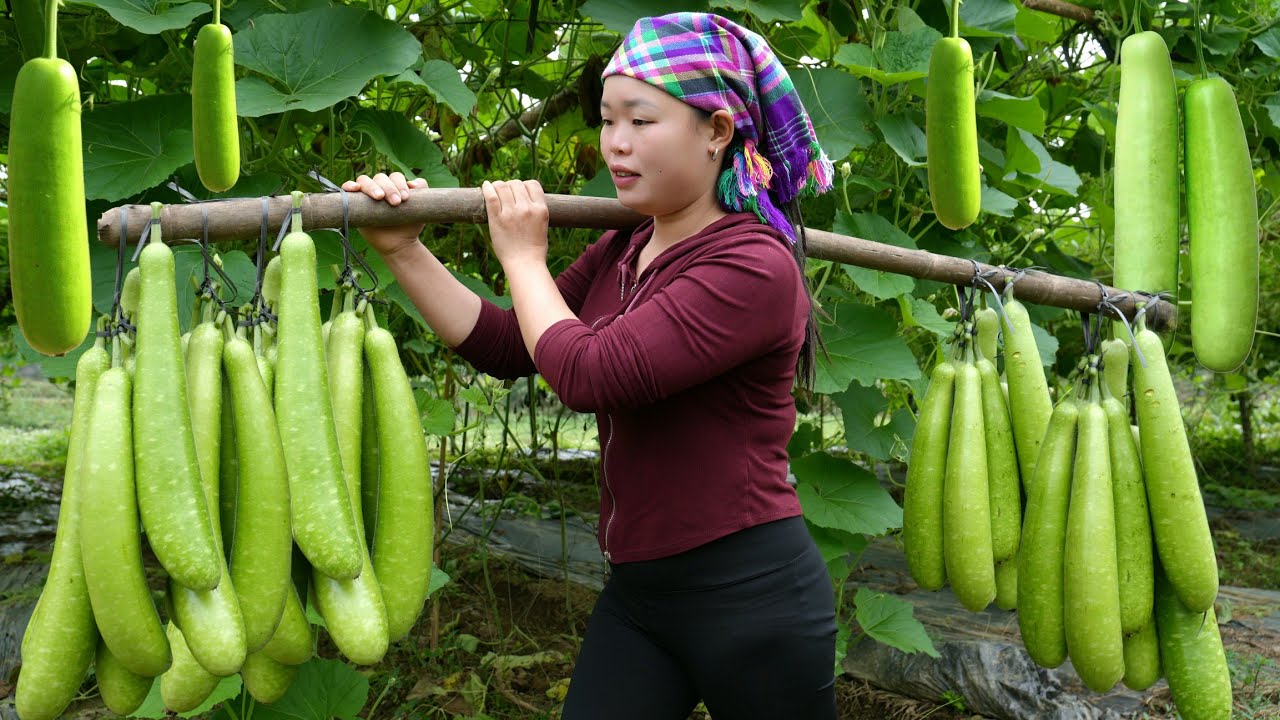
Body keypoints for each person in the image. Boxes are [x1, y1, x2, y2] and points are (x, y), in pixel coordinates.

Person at [346, 12, 839, 719]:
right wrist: (402, 251)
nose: (615, 144)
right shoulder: (626, 243)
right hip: (641, 601)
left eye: (641, 121)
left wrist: (522, 257)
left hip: (752, 601)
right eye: (607, 121)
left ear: (717, 131)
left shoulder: (753, 264)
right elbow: (513, 346)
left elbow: (588, 374)